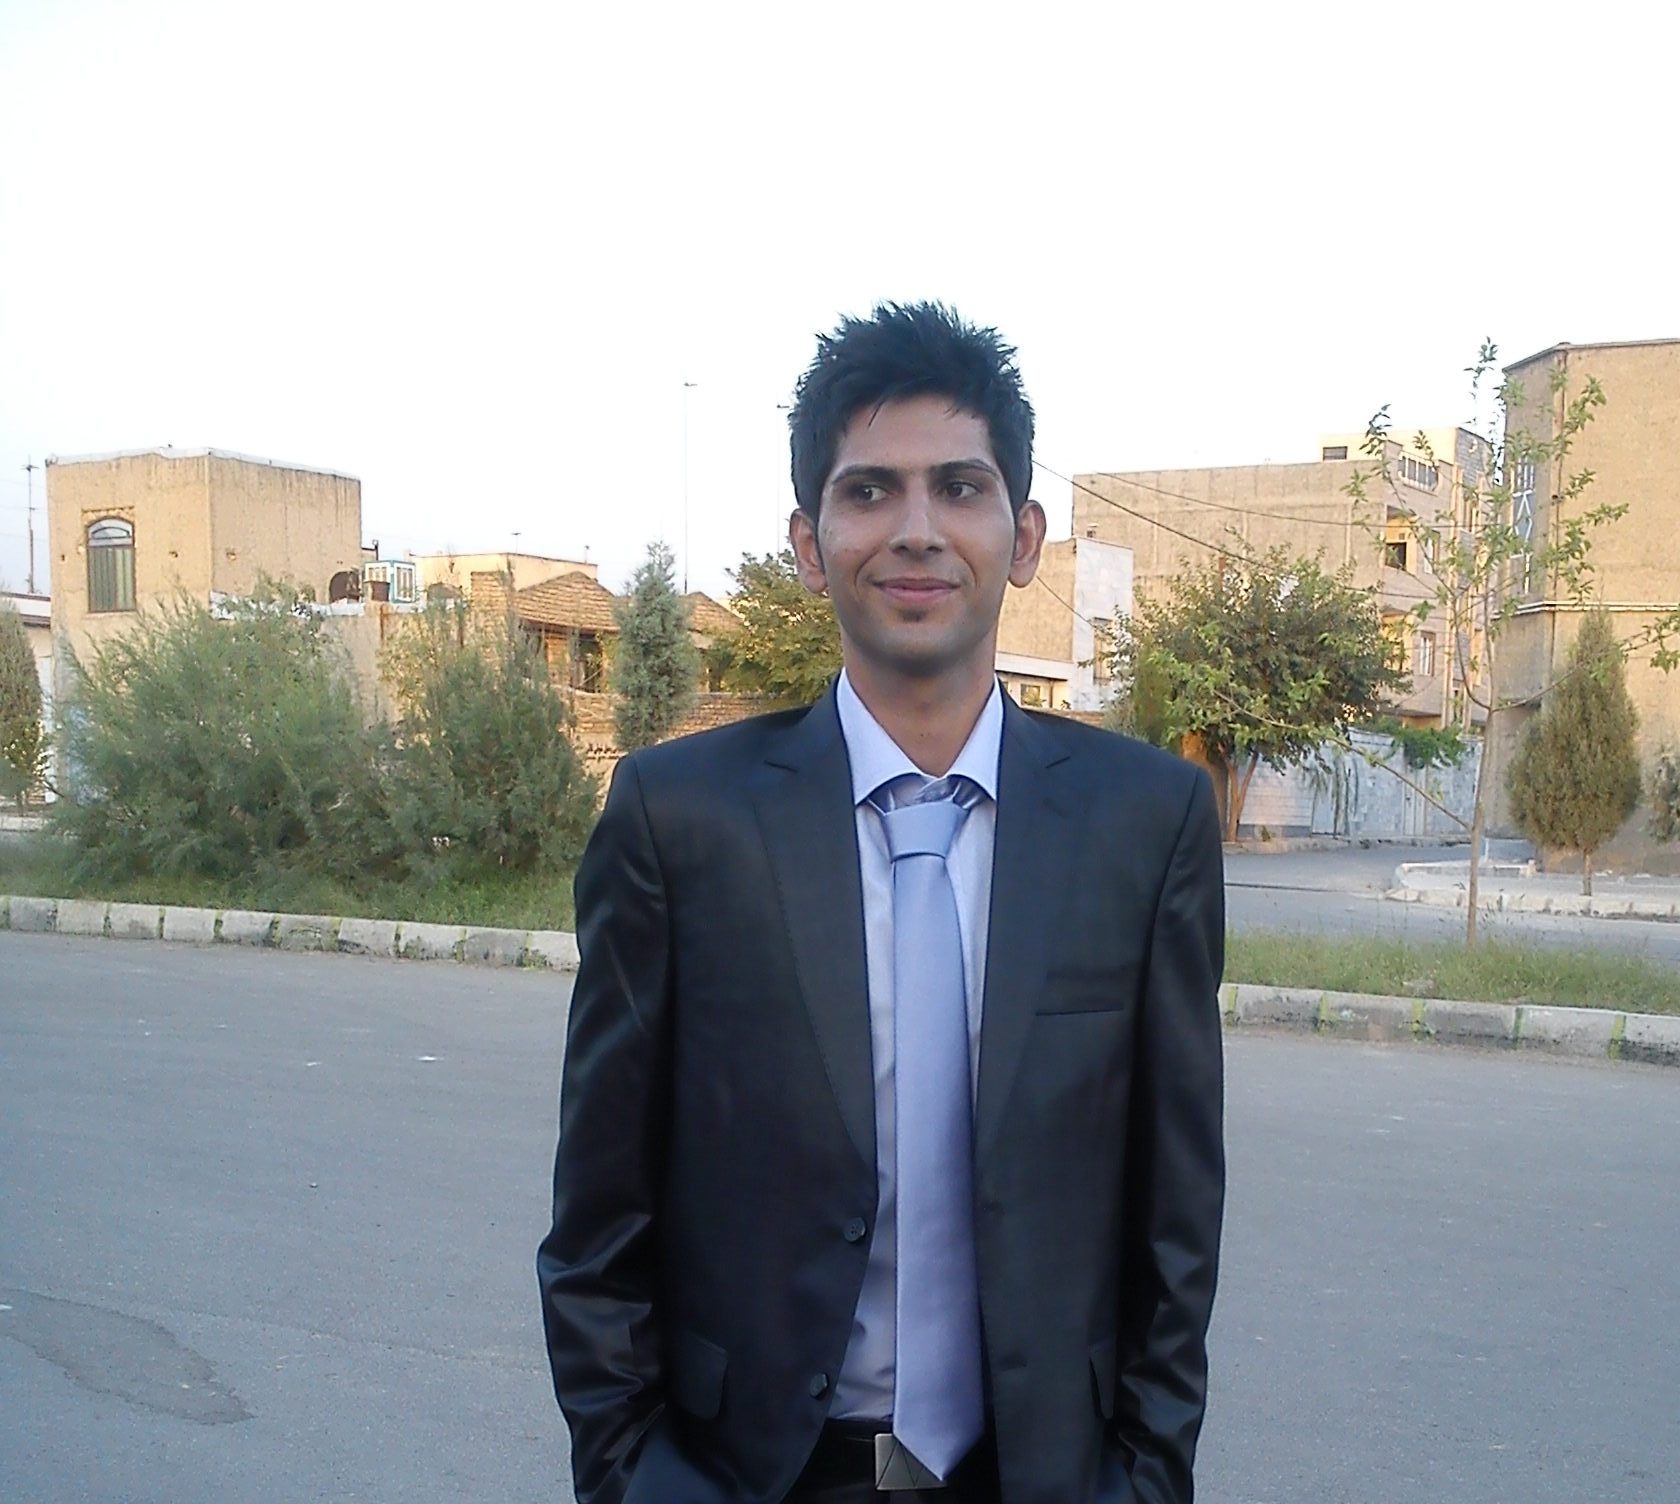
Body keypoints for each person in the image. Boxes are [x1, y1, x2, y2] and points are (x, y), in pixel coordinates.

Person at [538, 302, 1225, 1504]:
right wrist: (636, 1477)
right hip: (756, 1475)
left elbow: (1177, 1222)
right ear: (811, 545)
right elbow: (599, 1221)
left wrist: (1146, 1480)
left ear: (1023, 535)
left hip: (1043, 1476)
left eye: (959, 487)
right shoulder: (679, 822)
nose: (916, 530)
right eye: (869, 491)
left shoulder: (1144, 823)